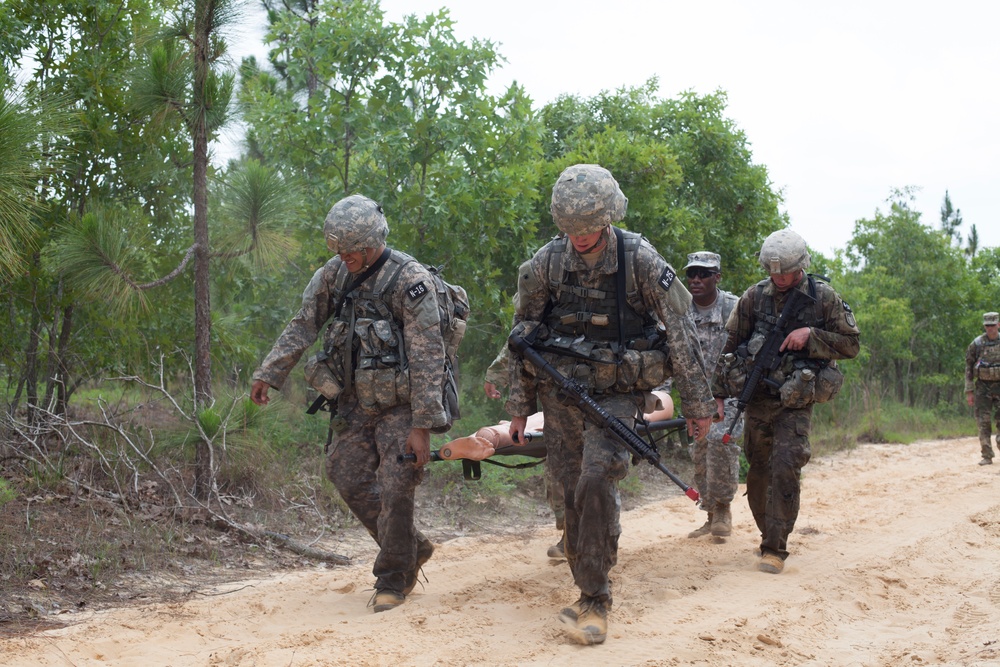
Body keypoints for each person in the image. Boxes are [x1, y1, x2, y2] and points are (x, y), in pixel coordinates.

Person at [505, 164, 716, 645]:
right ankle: (588, 580)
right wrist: (520, 409)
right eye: (570, 229)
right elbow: (520, 338)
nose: (579, 238)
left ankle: (594, 599)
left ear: (609, 217)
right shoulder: (545, 264)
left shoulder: (640, 259)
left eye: (589, 229)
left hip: (618, 393)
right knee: (570, 492)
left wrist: (699, 405)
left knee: (598, 477)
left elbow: (680, 332)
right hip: (561, 397)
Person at [250, 195, 447, 613]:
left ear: (373, 241)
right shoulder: (334, 275)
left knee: (397, 485)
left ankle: (394, 576)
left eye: (353, 249)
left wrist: (423, 424)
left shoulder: (408, 281)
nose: (345, 256)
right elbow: (303, 323)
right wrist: (270, 372)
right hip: (353, 402)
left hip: (401, 405)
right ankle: (410, 547)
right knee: (346, 474)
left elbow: (429, 354)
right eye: (338, 249)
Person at [711, 229, 859, 574]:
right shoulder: (754, 297)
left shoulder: (822, 297)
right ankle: (769, 530)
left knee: (786, 466)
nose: (778, 278)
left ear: (801, 266)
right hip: (758, 397)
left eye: (785, 272)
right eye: (772, 272)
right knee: (758, 470)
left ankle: (775, 546)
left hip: (795, 399)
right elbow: (731, 345)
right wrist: (718, 393)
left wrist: (812, 336)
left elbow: (851, 344)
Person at [484, 345, 674, 559]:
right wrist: (498, 377)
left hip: (614, 394)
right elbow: (525, 340)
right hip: (564, 393)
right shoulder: (557, 314)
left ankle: (599, 542)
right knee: (562, 472)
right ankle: (570, 533)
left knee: (600, 469)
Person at [676, 251, 743, 542]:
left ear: (717, 276)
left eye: (704, 274)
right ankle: (710, 514)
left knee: (721, 443)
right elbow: (672, 353)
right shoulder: (680, 309)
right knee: (700, 452)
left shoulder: (735, 308)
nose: (696, 279)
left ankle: (724, 508)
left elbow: (748, 352)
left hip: (730, 395)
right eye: (691, 273)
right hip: (695, 398)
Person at [965, 312, 1000, 465]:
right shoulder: (977, 344)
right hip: (983, 387)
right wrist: (969, 391)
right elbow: (969, 367)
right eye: (987, 326)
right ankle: (987, 455)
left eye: (992, 325)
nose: (990, 328)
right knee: (983, 422)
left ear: (998, 325)